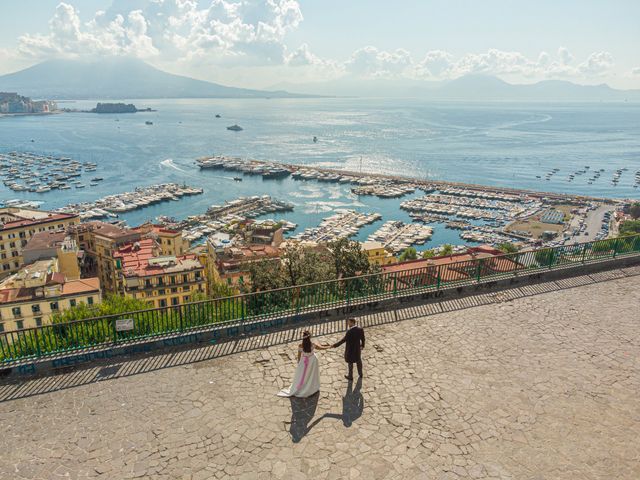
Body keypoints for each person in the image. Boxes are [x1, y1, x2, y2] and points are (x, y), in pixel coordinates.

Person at [277, 331, 330, 398]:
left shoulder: (300, 346)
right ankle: (311, 387)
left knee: (303, 375)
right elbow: (321, 348)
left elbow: (299, 356)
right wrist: (329, 347)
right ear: (309, 337)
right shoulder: (313, 344)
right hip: (313, 361)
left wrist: (299, 364)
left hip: (304, 362)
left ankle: (303, 387)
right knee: (312, 375)